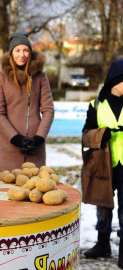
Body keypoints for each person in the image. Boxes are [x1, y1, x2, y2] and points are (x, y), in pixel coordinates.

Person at [82, 60, 123, 268]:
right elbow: (86, 135)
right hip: (104, 164)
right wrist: (102, 134)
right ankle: (103, 243)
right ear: (115, 81)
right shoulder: (95, 106)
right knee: (103, 207)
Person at [0, 32, 54, 172]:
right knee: (8, 191)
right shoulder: (1, 77)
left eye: (26, 50)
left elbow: (48, 111)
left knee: (34, 191)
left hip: (35, 149)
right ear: (11, 53)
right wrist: (15, 139)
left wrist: (39, 138)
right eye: (18, 50)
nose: (22, 54)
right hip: (9, 148)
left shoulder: (40, 77)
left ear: (30, 53)